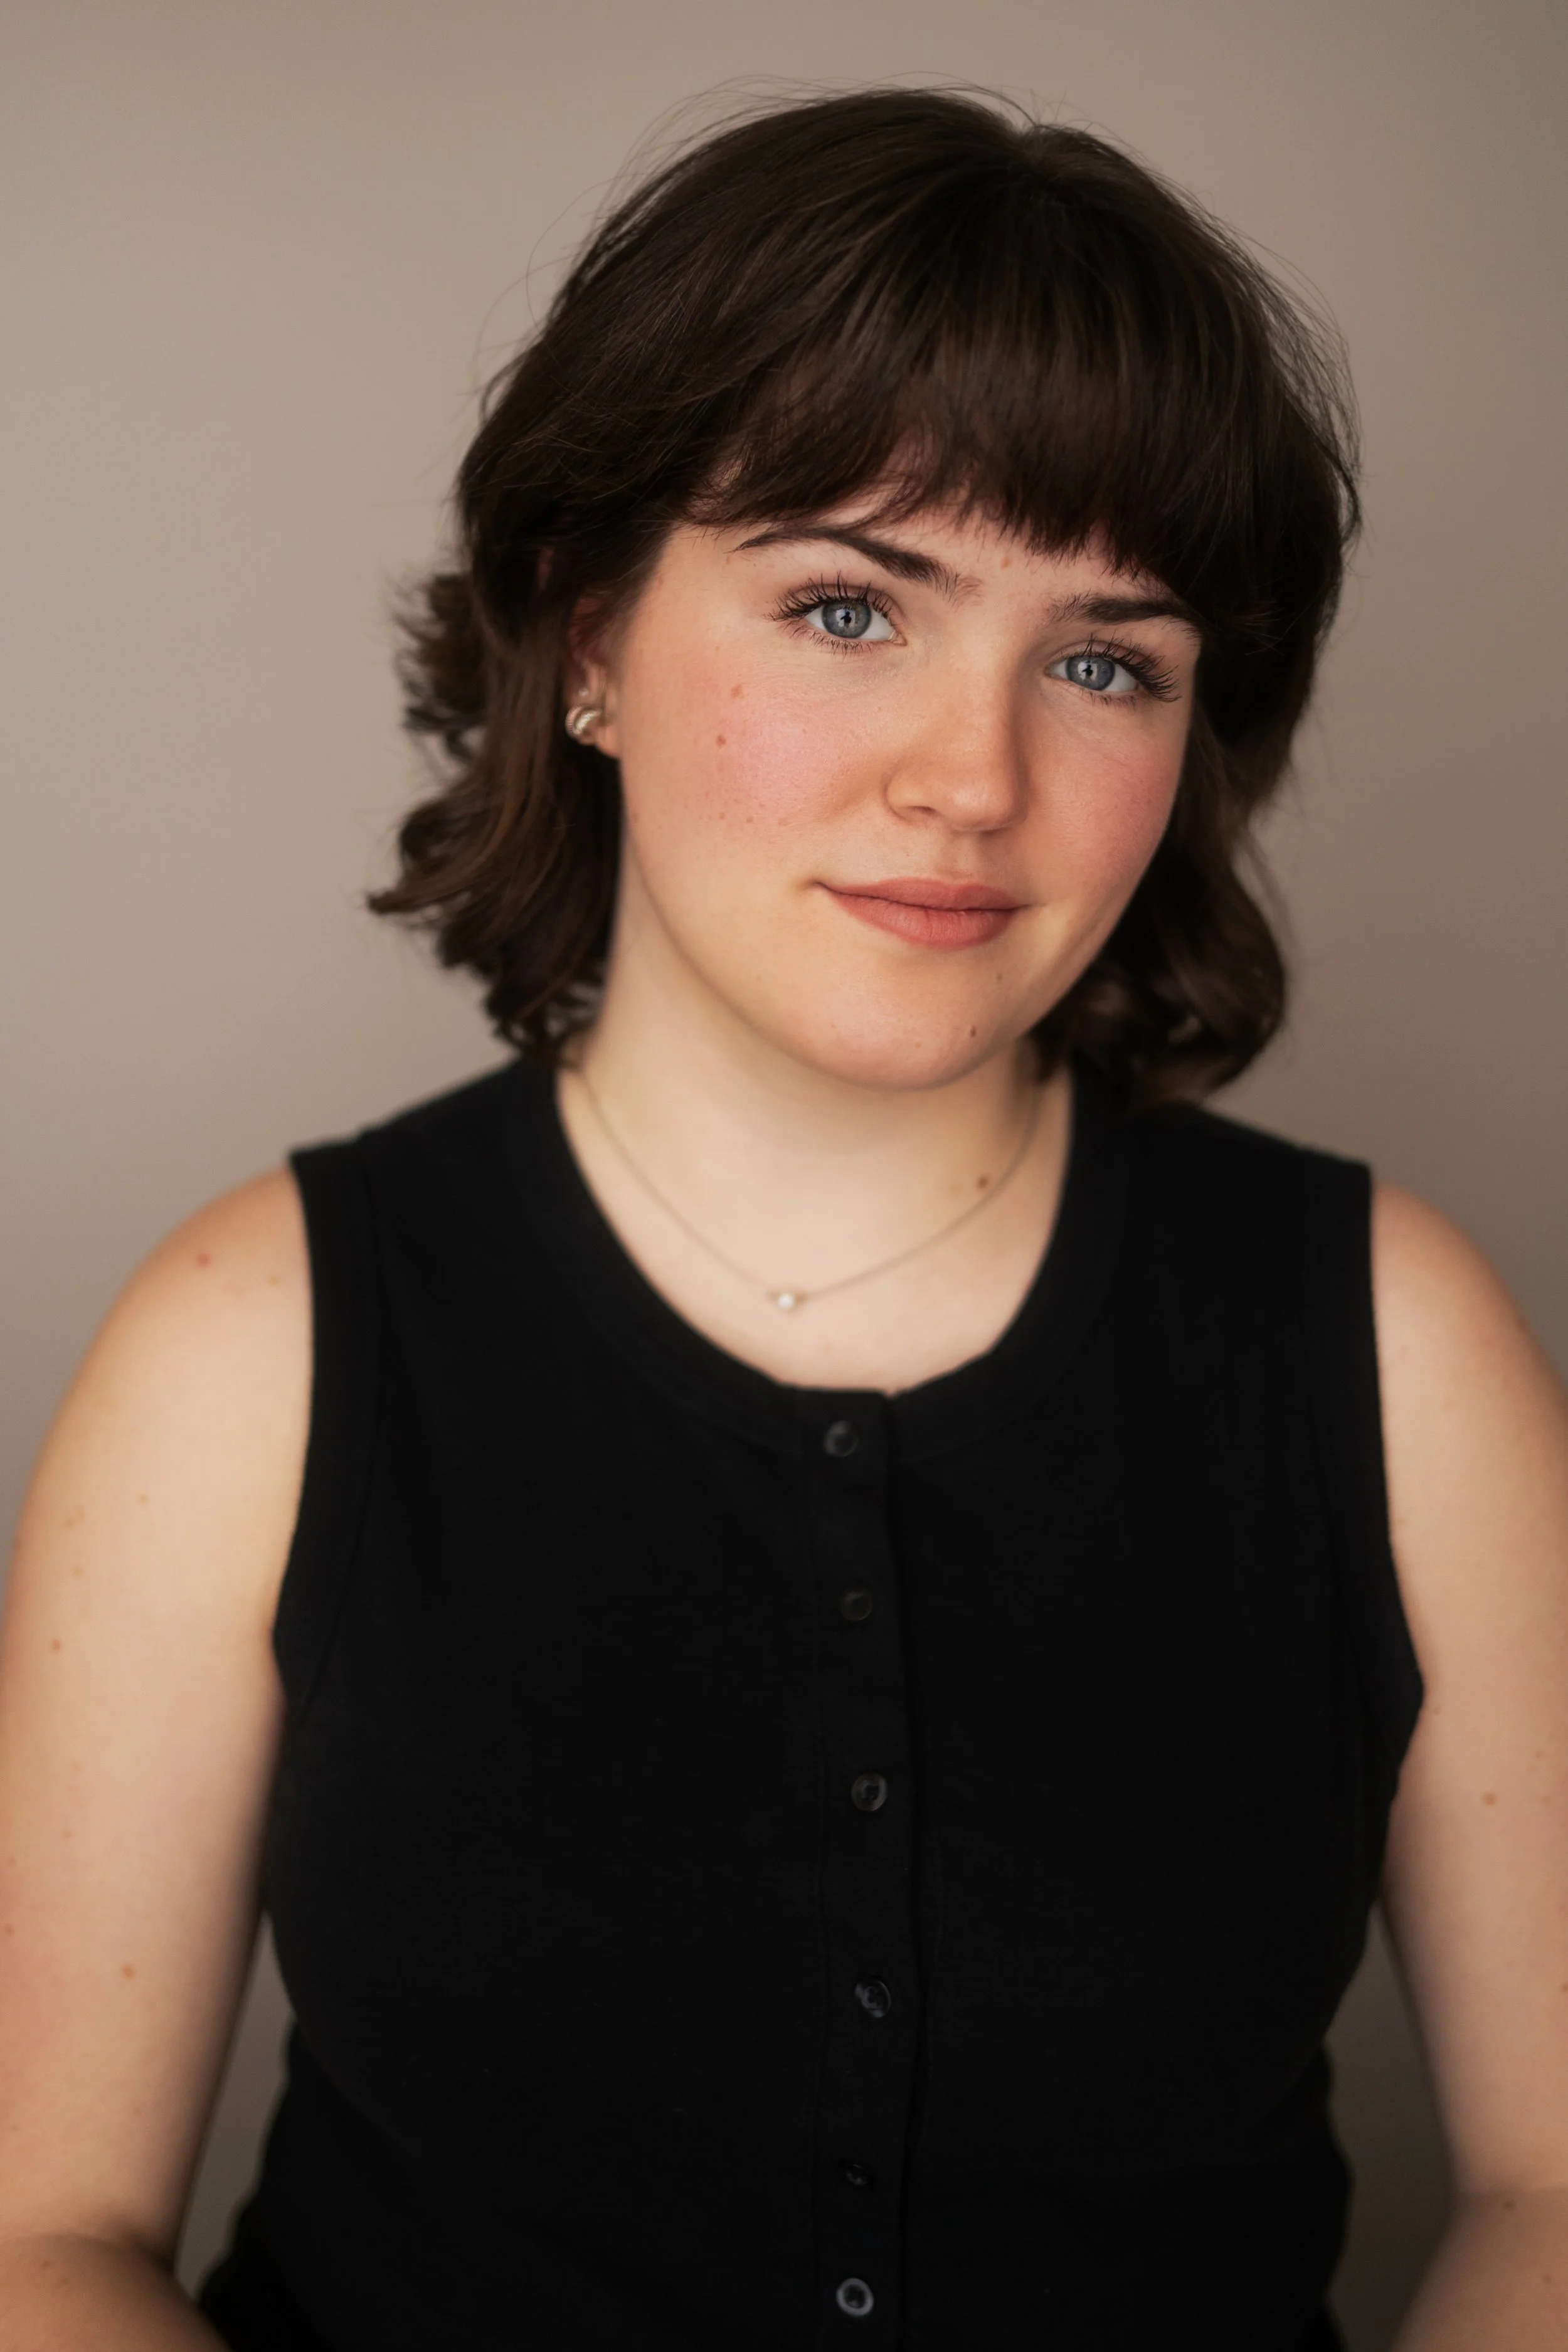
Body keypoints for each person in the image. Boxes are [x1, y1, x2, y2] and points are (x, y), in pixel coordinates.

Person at [2, 83, 1566, 2352]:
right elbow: (44, 2238)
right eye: (850, 603)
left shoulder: (1392, 1342)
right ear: (588, 632)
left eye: (1106, 657)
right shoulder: (250, 1342)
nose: (973, 774)